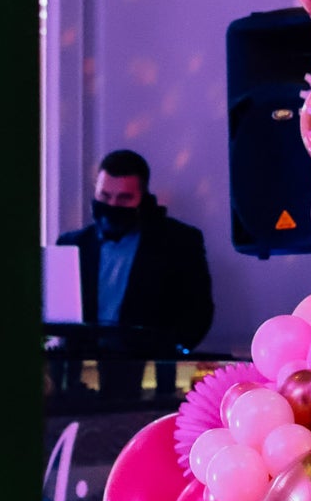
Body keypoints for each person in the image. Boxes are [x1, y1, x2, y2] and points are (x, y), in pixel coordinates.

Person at [56, 149, 213, 399]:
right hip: (78, 378)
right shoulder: (72, 245)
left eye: (124, 199)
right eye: (104, 196)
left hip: (148, 374)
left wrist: (170, 352)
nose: (111, 206)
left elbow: (199, 311)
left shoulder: (178, 242)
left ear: (143, 198)